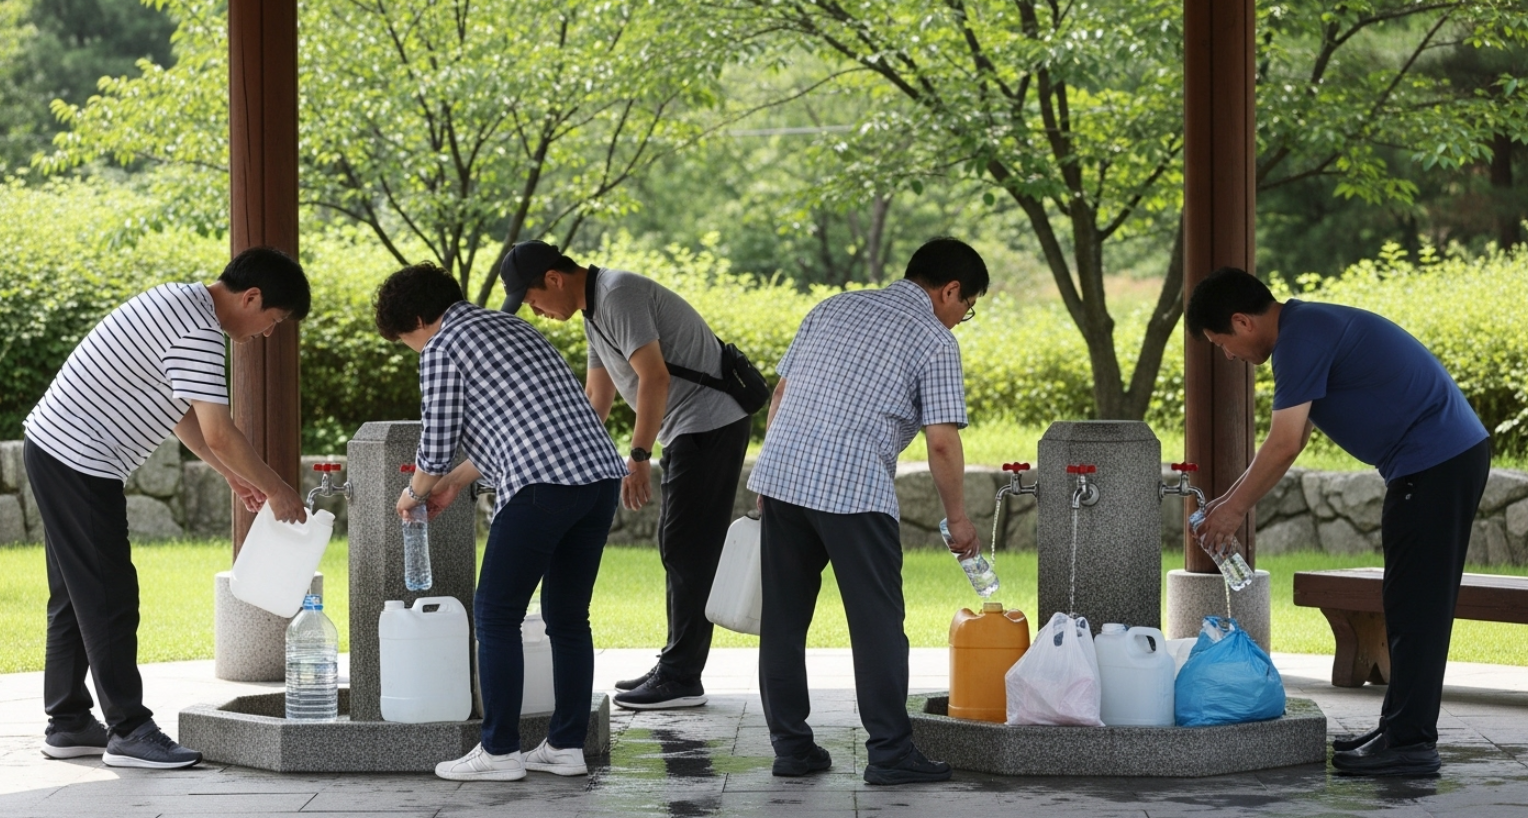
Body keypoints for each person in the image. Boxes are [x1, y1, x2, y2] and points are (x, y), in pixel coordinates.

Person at [1186, 267, 1490, 777]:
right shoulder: (1306, 328)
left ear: (1242, 322)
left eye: (1221, 344)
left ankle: (1412, 744)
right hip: (1435, 462)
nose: (1229, 356)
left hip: (1435, 462)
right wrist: (1225, 504)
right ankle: (1399, 728)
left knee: (1418, 607)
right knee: (1407, 600)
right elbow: (1295, 436)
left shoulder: (1300, 339)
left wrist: (1234, 509)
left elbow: (1284, 442)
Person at [24, 246, 312, 769]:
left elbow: (181, 414)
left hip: (57, 447)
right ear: (252, 297)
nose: (268, 334)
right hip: (79, 458)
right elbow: (221, 433)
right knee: (110, 595)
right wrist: (277, 489)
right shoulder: (200, 332)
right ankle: (129, 730)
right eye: (274, 320)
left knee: (75, 593)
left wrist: (229, 474)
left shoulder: (180, 304)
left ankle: (67, 723)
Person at [747, 236, 987, 786]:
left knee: (783, 622)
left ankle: (792, 749)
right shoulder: (933, 339)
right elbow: (943, 442)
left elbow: (781, 395)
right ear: (950, 290)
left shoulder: (832, 307)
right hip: (853, 489)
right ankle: (890, 753)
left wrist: (769, 472)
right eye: (966, 308)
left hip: (784, 478)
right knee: (878, 626)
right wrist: (959, 518)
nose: (960, 319)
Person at [376, 263, 627, 783]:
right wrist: (453, 483)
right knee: (568, 618)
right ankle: (564, 746)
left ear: (421, 318)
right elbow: (521, 426)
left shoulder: (443, 347)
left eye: (408, 340)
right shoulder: (513, 327)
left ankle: (500, 751)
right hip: (598, 478)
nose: (415, 351)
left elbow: (438, 442)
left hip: (541, 488)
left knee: (494, 616)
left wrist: (415, 491)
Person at [498, 241, 753, 711]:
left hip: (710, 422)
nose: (535, 311)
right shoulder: (594, 309)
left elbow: (654, 377)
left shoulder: (616, 295)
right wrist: (569, 456)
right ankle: (676, 664)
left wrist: (637, 455)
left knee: (687, 548)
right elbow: (596, 397)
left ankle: (682, 676)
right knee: (677, 545)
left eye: (533, 300)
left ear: (554, 279)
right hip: (687, 427)